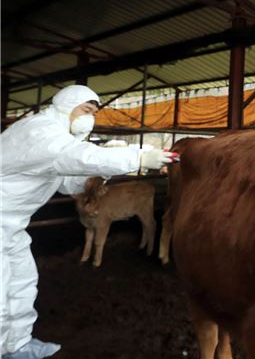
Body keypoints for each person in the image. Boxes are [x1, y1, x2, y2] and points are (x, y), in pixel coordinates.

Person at [0, 85, 179, 359]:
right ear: (65, 105)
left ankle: (18, 345)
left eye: (94, 113)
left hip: (11, 226)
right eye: (86, 110)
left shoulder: (59, 140)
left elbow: (68, 182)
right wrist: (137, 156)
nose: (90, 118)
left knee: (22, 282)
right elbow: (74, 157)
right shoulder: (40, 130)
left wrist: (101, 169)